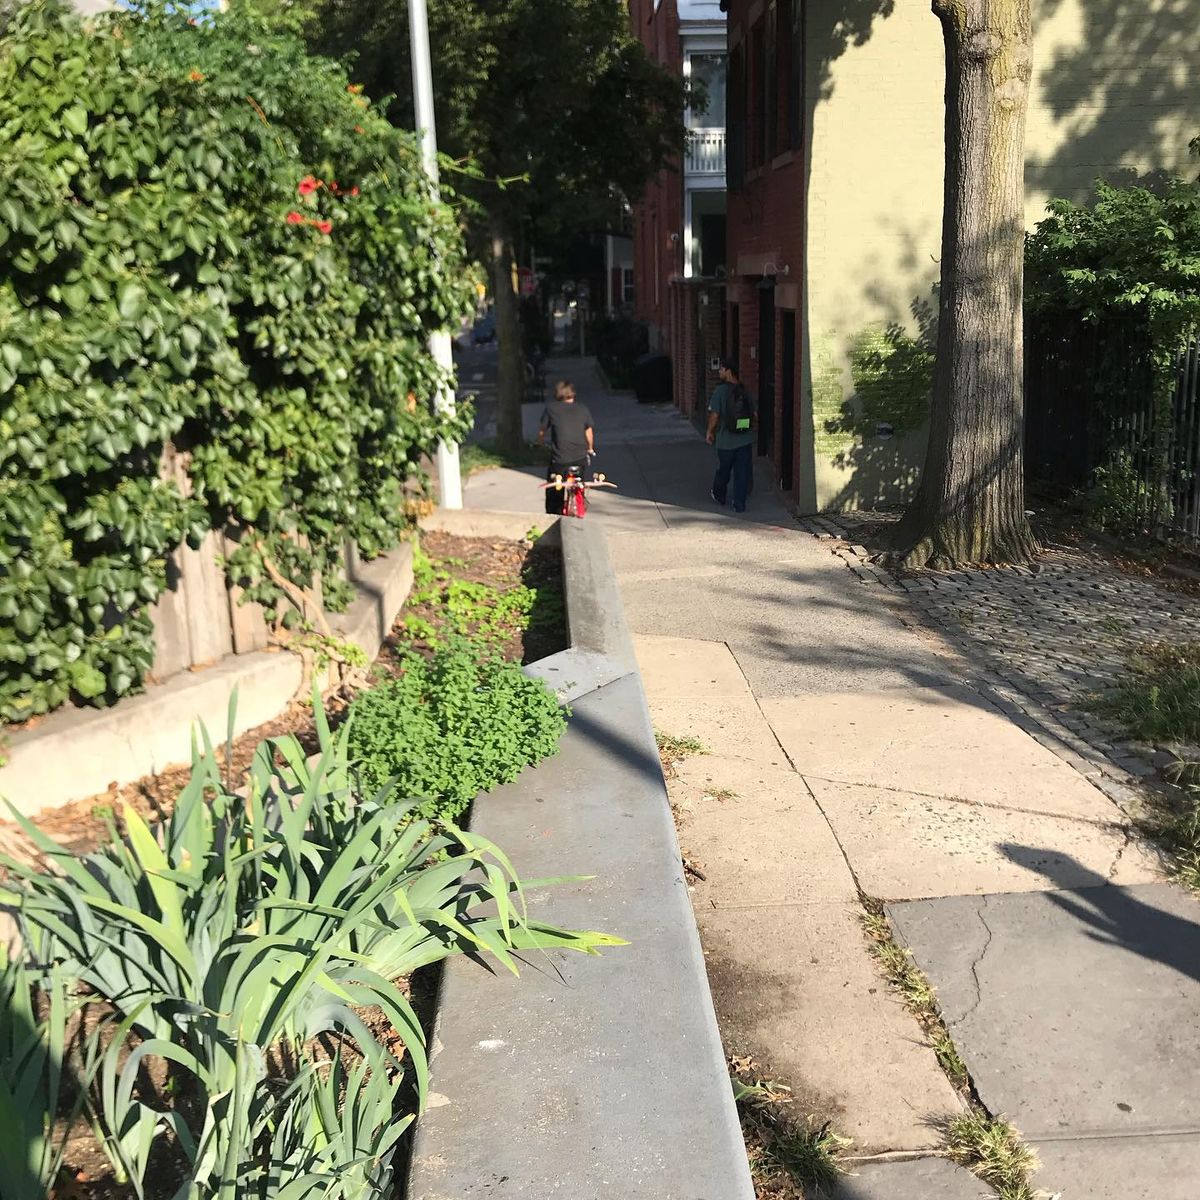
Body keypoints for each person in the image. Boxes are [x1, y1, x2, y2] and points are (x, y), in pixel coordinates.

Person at [537, 380, 595, 514]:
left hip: (560, 460)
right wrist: (590, 448)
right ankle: (580, 505)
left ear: (558, 395)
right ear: (573, 395)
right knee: (578, 483)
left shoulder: (551, 409)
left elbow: (542, 431)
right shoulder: (583, 408)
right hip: (580, 459)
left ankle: (553, 515)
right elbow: (589, 432)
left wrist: (539, 443)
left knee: (554, 491)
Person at [706, 357, 756, 513]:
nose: (719, 371)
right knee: (742, 472)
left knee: (724, 470)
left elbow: (714, 415)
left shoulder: (720, 391)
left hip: (726, 441)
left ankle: (719, 494)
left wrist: (709, 432)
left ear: (728, 371)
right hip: (744, 440)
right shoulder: (744, 389)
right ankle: (739, 504)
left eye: (721, 369)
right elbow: (754, 414)